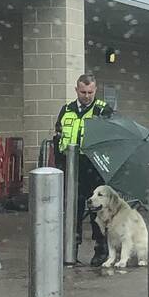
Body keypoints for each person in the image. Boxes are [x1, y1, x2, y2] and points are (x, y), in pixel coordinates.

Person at [54, 74, 113, 266]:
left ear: (95, 90)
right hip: (71, 167)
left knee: (98, 210)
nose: (87, 96)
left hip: (94, 167)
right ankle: (71, 250)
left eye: (90, 92)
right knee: (72, 210)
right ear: (76, 90)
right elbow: (58, 136)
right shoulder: (67, 110)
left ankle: (101, 250)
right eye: (83, 92)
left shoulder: (103, 110)